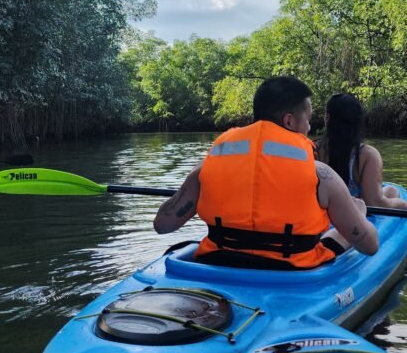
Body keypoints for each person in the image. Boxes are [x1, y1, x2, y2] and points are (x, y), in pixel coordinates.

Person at [153, 76, 378, 270]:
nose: (310, 128)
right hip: (291, 271)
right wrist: (359, 212)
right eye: (308, 120)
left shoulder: (208, 166)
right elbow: (370, 246)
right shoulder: (320, 174)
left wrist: (201, 170)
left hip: (219, 261)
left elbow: (163, 225)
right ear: (289, 121)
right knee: (337, 233)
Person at [314, 93, 407, 213]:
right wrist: (406, 206)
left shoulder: (313, 148)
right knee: (392, 192)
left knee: (392, 190)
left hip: (324, 210)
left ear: (327, 119)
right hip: (352, 214)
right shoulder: (368, 155)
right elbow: (373, 203)